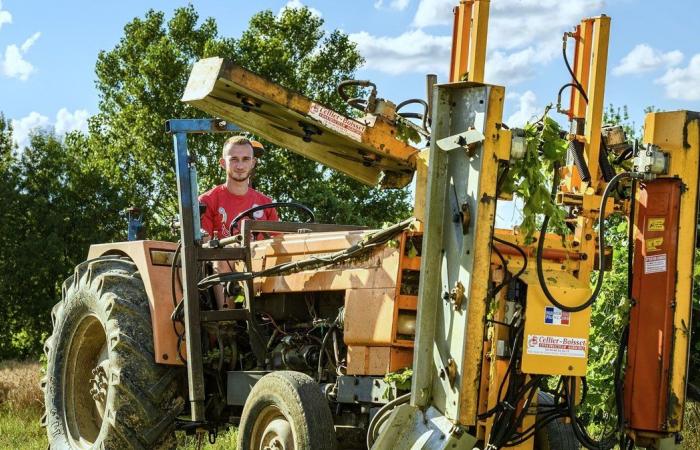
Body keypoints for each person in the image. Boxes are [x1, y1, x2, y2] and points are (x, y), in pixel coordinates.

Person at [199, 136, 278, 239]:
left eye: (245, 159)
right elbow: (203, 248)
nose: (240, 166)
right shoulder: (206, 202)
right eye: (234, 159)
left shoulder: (266, 204)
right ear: (223, 163)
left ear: (253, 163)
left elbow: (279, 246)